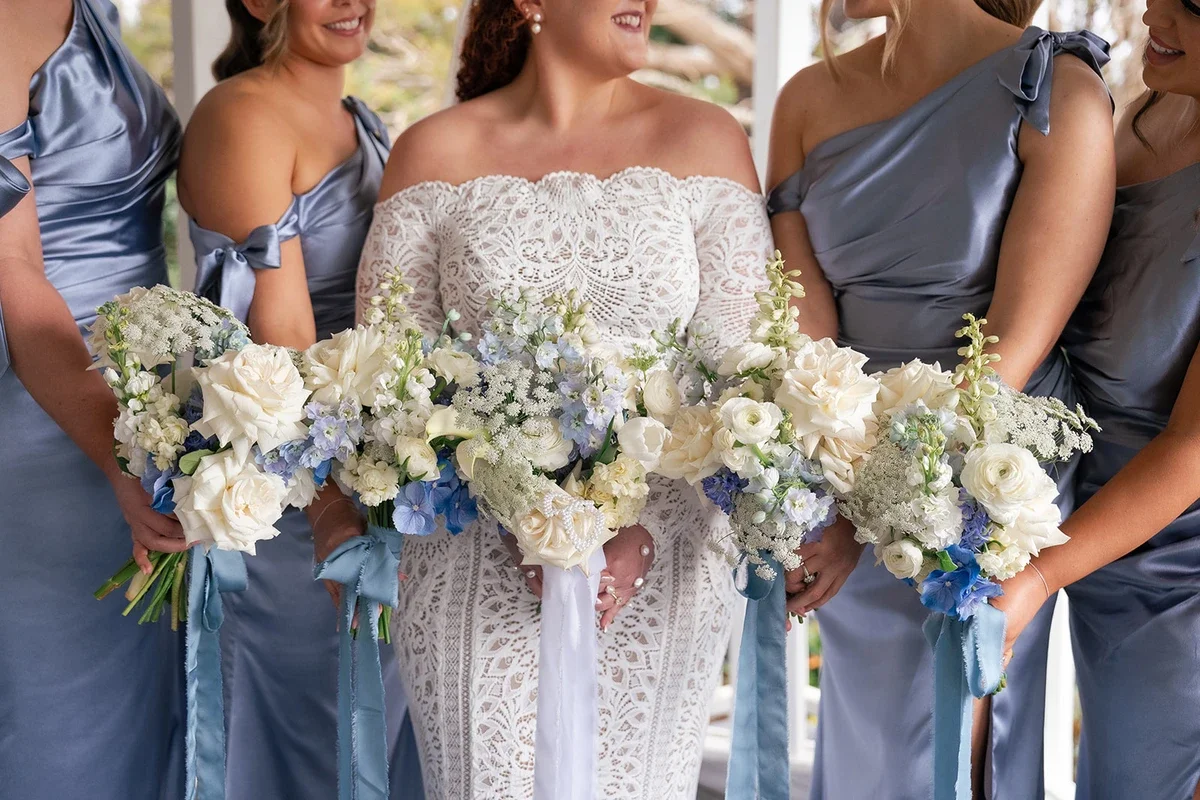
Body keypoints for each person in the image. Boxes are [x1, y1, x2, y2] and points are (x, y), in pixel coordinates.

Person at [353, 0, 773, 795]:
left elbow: (740, 368)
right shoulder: (433, 151)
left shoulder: (706, 138)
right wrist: (518, 511)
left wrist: (639, 531)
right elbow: (388, 379)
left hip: (672, 550)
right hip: (471, 556)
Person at [765, 1, 1115, 796]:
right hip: (846, 460)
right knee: (866, 745)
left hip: (984, 477)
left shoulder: (1058, 89)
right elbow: (807, 325)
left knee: (945, 751)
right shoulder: (805, 98)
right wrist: (837, 484)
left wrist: (875, 514)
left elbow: (1009, 354)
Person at [177, 1, 420, 796]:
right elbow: (278, 342)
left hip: (375, 482)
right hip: (297, 500)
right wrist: (329, 510)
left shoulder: (365, 120)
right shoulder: (243, 115)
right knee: (317, 749)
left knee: (377, 744)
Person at [999, 2, 1200, 796]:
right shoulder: (1141, 116)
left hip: (1183, 580)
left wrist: (1041, 577)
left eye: (1191, 5)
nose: (1154, 12)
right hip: (1099, 551)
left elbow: (1190, 450)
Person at [0, 1, 185, 797]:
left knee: (152, 706)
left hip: (148, 404)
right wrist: (116, 450)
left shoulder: (94, 9)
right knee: (66, 718)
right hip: (56, 409)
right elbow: (12, 266)